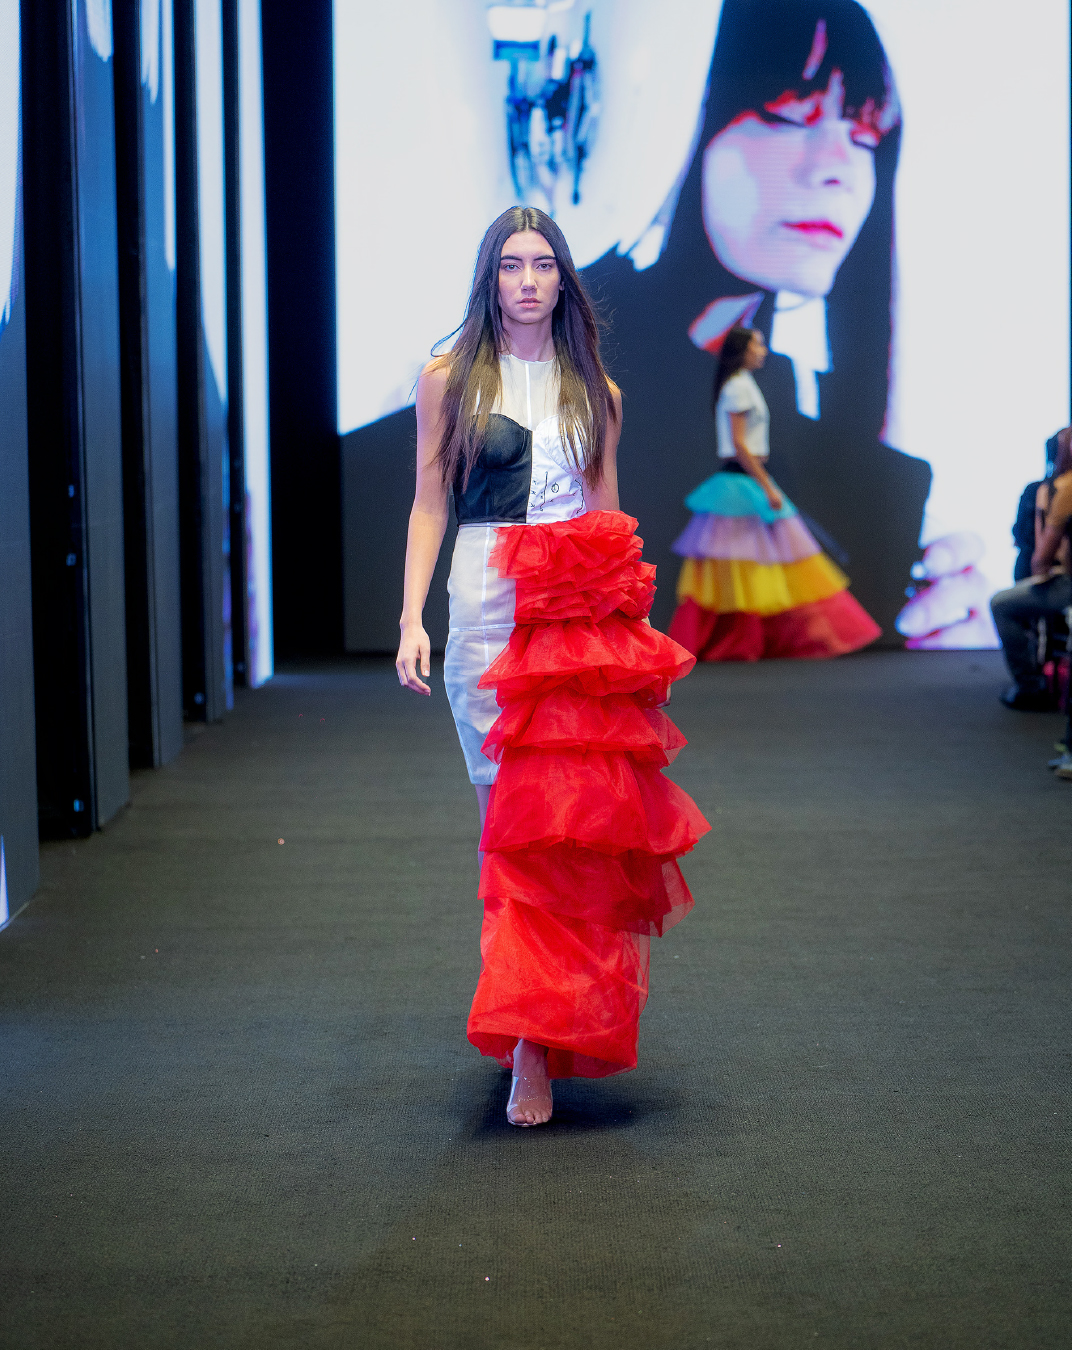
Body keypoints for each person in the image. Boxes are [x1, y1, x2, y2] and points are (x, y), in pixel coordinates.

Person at [395, 206, 709, 1127]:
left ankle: (535, 1047)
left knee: (560, 840)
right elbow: (426, 505)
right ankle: (528, 1021)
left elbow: (610, 521)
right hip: (485, 614)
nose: (527, 281)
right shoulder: (447, 380)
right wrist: (411, 616)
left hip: (571, 625)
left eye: (542, 266)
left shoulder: (596, 393)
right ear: (489, 279)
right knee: (506, 834)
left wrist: (630, 651)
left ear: (563, 281)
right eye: (509, 265)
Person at [582, 0, 934, 641]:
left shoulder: (811, 414)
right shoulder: (562, 370)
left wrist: (915, 618)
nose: (835, 168)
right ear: (682, 116)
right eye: (787, 116)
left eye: (863, 136)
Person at [668, 323, 880, 659]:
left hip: (746, 479)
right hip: (743, 481)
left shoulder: (742, 384)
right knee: (745, 563)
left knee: (754, 562)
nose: (763, 351)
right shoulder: (738, 387)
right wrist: (766, 485)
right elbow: (739, 443)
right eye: (758, 345)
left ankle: (752, 640)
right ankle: (740, 641)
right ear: (743, 350)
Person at [990, 429, 1072, 710]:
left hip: (1064, 582)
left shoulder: (1064, 488)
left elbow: (1041, 555)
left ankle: (1029, 686)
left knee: (1002, 604)